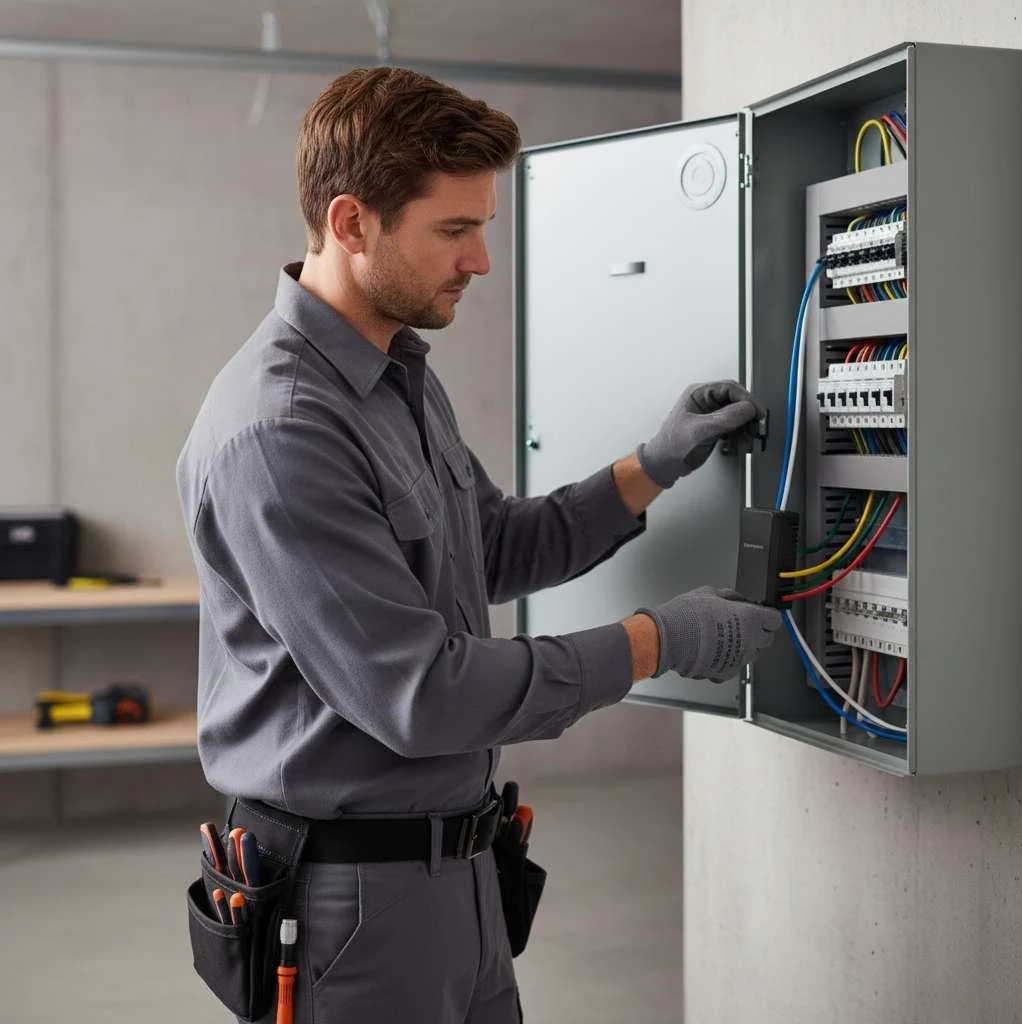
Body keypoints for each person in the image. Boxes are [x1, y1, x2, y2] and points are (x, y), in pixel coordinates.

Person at [176, 66, 782, 1024]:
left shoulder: (398, 373)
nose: (481, 261)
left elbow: (489, 548)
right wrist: (657, 643)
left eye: (483, 227)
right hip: (351, 912)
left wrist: (653, 465)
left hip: (460, 879)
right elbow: (422, 696)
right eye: (454, 231)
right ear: (351, 222)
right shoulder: (280, 430)